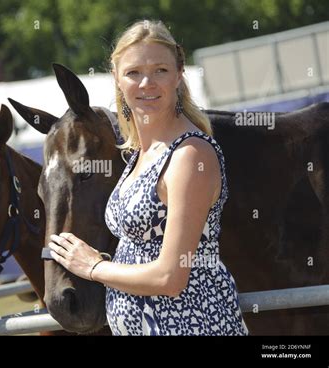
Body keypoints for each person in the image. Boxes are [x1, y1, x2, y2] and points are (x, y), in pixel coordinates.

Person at [48, 20, 248, 335]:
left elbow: (171, 277)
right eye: (133, 73)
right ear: (116, 77)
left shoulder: (189, 155)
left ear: (179, 73)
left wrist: (94, 267)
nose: (146, 84)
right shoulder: (140, 153)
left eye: (160, 71)